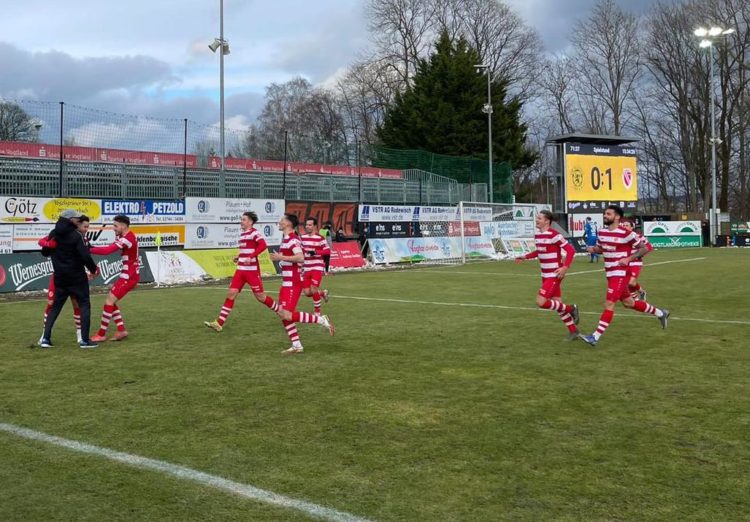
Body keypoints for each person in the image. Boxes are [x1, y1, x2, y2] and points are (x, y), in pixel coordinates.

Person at [579, 205, 670, 347]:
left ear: (617, 217)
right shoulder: (602, 232)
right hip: (610, 273)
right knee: (629, 303)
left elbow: (644, 248)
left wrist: (629, 259)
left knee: (609, 304)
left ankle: (595, 337)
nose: (605, 216)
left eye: (608, 214)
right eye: (605, 214)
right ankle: (660, 313)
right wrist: (593, 249)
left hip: (620, 274)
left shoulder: (626, 233)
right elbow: (603, 249)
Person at [269, 213, 334, 355]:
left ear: (287, 223)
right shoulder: (287, 239)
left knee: (287, 314)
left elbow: (301, 257)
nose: (279, 222)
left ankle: (320, 319)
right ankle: (297, 345)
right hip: (286, 282)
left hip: (293, 283)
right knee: (282, 314)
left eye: (281, 220)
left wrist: (280, 257)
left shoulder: (292, 239)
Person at [204, 211, 280, 332]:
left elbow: (263, 245)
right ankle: (219, 323)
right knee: (231, 294)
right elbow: (247, 250)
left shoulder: (255, 233)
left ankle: (279, 310)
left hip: (252, 272)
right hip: (240, 270)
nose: (241, 221)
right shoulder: (243, 234)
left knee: (260, 297)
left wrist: (252, 256)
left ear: (250, 222)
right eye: (241, 219)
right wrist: (239, 257)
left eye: (243, 219)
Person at [515, 210, 580, 340]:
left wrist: (564, 267)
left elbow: (571, 250)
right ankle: (574, 331)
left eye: (539, 218)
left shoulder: (555, 235)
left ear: (546, 221)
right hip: (545, 275)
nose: (537, 220)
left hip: (554, 274)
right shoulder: (538, 235)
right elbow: (539, 251)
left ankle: (571, 308)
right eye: (537, 218)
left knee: (541, 302)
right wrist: (525, 256)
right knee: (557, 303)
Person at [39, 209, 99, 349]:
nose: (78, 220)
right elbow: (85, 256)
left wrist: (50, 245)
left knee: (55, 308)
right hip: (77, 277)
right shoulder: (76, 235)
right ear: (70, 220)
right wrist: (93, 269)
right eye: (76, 218)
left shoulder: (54, 233)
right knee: (84, 305)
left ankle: (45, 339)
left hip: (60, 277)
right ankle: (84, 340)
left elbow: (44, 252)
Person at [89, 215, 139, 342]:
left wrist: (87, 249)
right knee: (111, 301)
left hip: (129, 276)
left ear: (123, 226)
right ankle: (121, 330)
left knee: (109, 302)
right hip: (127, 274)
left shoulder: (128, 239)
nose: (114, 228)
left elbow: (107, 251)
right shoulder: (122, 236)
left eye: (116, 226)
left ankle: (101, 334)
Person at [300, 217, 330, 316]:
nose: (307, 226)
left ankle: (317, 313)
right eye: (306, 224)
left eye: (310, 225)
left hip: (317, 266)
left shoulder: (320, 238)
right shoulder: (302, 238)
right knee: (307, 293)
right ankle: (323, 293)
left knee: (313, 289)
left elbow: (327, 251)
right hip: (307, 267)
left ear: (315, 226)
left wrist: (316, 252)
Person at [621, 219, 653, 301]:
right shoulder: (621, 237)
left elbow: (649, 247)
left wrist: (639, 255)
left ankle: (640, 293)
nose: (624, 227)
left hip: (635, 263)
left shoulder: (638, 237)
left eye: (627, 225)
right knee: (627, 282)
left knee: (631, 282)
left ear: (632, 227)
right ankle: (636, 298)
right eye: (623, 225)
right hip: (624, 263)